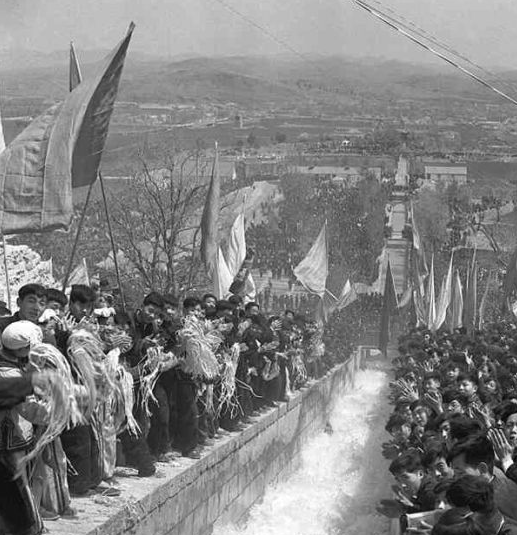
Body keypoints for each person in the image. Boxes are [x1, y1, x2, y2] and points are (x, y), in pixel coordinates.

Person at [0, 321, 46, 535]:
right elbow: (30, 410)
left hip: (14, 439)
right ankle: (31, 529)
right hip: (10, 441)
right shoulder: (10, 374)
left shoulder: (12, 366)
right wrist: (59, 411)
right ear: (22, 349)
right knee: (19, 489)